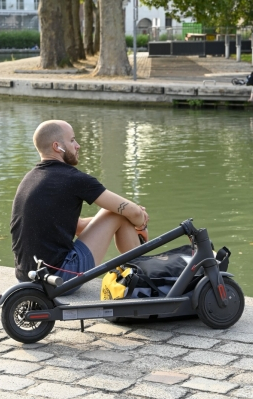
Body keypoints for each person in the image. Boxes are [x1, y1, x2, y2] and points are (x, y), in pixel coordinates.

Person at [11, 120, 149, 284]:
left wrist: (119, 221)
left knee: (119, 213)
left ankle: (139, 275)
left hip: (28, 278)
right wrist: (140, 224)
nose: (78, 145)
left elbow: (80, 226)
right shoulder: (73, 178)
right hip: (59, 278)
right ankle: (143, 278)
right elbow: (133, 212)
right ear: (57, 147)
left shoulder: (32, 178)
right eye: (72, 140)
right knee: (118, 212)